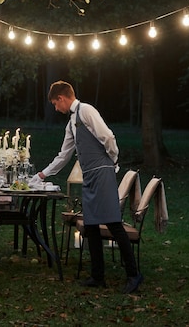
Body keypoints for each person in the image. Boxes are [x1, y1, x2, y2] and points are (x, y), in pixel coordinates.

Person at [30, 81, 143, 294]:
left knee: (113, 224)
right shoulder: (71, 122)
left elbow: (108, 137)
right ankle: (98, 276)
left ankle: (134, 275)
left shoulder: (87, 110)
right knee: (91, 227)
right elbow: (64, 155)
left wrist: (111, 160)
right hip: (89, 177)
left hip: (102, 172)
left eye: (55, 104)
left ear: (62, 98)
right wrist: (42, 174)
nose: (56, 108)